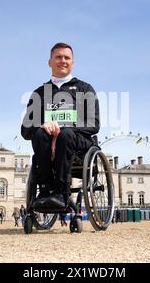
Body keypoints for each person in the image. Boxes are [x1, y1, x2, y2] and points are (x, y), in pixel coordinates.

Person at [21, 43, 100, 209]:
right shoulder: (39, 93)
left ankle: (61, 193)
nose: (62, 61)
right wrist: (42, 125)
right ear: (50, 62)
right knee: (40, 134)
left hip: (79, 143)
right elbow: (25, 130)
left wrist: (63, 130)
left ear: (72, 62)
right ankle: (45, 190)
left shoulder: (85, 88)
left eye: (66, 57)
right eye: (58, 57)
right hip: (47, 143)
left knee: (65, 135)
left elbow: (94, 124)